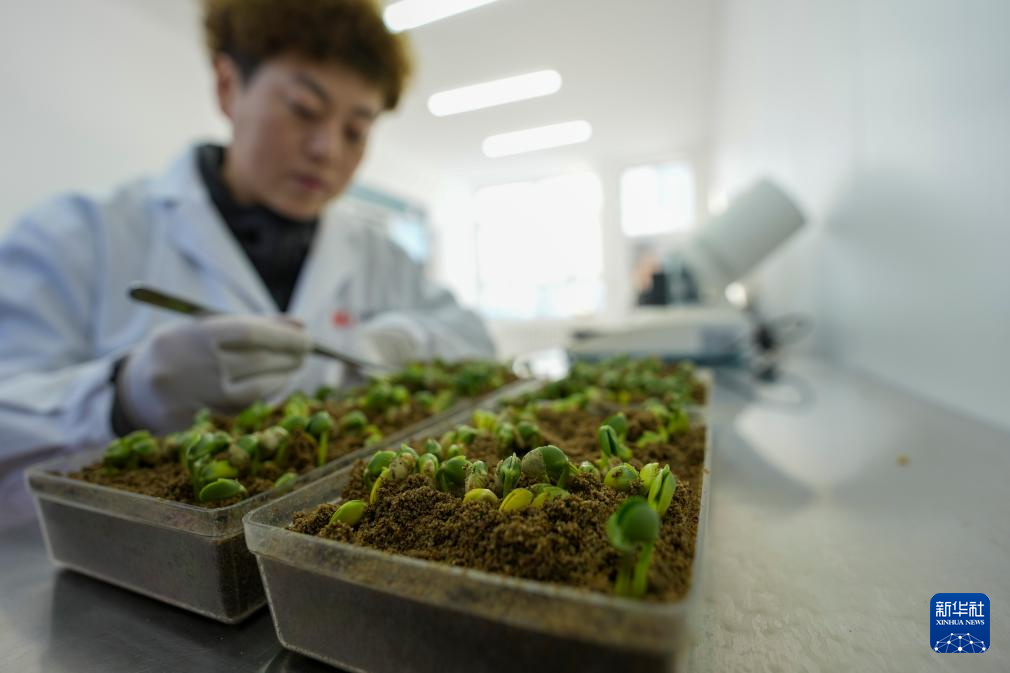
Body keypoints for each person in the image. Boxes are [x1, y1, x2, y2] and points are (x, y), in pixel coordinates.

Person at [0, 0, 494, 523]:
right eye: (304, 109)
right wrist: (123, 397)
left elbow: (475, 340)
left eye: (356, 130)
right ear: (228, 86)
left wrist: (399, 343)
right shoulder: (80, 235)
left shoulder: (377, 254)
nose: (327, 149)